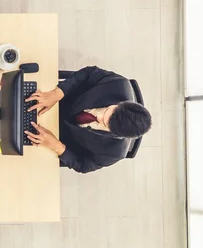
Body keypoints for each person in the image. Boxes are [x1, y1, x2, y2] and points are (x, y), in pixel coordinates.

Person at [24, 66, 152, 174]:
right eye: (107, 111)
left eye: (105, 123)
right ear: (121, 103)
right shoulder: (119, 84)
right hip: (60, 99)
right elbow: (89, 73)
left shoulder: (114, 152)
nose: (99, 117)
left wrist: (57, 146)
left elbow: (83, 165)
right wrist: (57, 93)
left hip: (53, 137)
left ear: (117, 135)